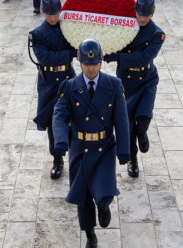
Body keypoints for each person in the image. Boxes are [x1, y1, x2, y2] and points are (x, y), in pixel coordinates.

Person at [52, 39, 129, 248]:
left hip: (104, 148)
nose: (91, 68)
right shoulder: (69, 87)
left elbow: (121, 119)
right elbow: (59, 114)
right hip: (80, 149)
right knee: (83, 198)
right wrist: (60, 141)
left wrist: (124, 150)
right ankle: (90, 235)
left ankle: (104, 206)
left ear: (102, 62)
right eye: (87, 64)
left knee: (104, 191)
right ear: (80, 63)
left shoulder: (113, 85)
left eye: (95, 64)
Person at [104, 0, 163, 178]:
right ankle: (132, 159)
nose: (142, 18)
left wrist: (118, 57)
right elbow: (111, 41)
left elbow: (144, 57)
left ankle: (143, 132)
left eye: (146, 15)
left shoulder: (157, 34)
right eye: (139, 14)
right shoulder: (125, 28)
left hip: (146, 79)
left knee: (143, 117)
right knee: (126, 124)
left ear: (152, 14)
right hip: (126, 82)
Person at [29, 0, 77, 180]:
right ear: (42, 12)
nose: (53, 17)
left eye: (56, 13)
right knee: (51, 122)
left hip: (68, 77)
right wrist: (70, 54)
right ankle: (57, 159)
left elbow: (77, 45)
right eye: (49, 13)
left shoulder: (68, 28)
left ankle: (76, 153)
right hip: (49, 83)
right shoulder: (38, 34)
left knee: (74, 117)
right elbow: (45, 58)